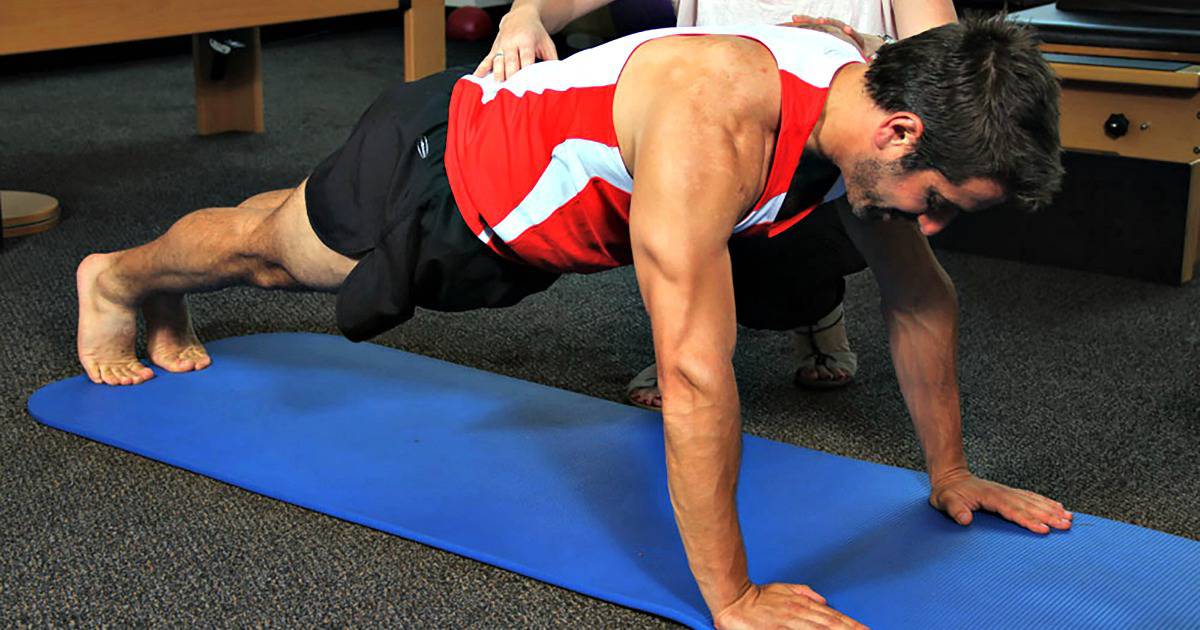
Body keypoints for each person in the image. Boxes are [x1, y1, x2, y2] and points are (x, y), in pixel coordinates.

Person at [75, 19, 1071, 628]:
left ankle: (158, 280)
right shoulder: (713, 121)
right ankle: (116, 278)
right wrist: (732, 599)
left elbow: (919, 297)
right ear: (899, 132)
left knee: (266, 235)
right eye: (938, 197)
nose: (929, 224)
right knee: (267, 250)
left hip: (530, 229)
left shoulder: (866, 91)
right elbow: (691, 373)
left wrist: (951, 473)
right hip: (445, 182)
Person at [479, 0, 959, 406]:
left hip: (840, 164)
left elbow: (952, 72)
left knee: (784, 281)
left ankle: (816, 309)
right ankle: (678, 345)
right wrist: (526, 12)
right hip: (711, 146)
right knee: (673, 188)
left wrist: (864, 46)